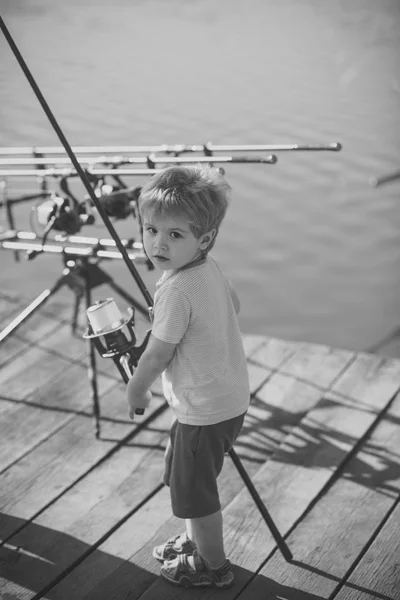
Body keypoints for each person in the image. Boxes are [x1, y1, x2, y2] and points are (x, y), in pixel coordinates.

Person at [126, 165, 250, 589]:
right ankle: (197, 545)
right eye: (150, 229)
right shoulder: (205, 266)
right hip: (229, 398)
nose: (158, 243)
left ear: (204, 238)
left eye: (174, 235)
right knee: (184, 474)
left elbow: (157, 355)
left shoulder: (176, 289)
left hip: (204, 411)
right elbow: (232, 305)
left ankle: (214, 567)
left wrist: (136, 388)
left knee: (197, 499)